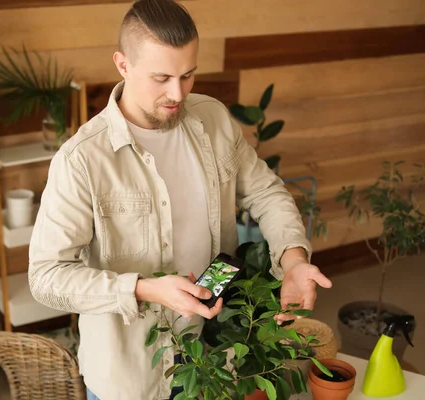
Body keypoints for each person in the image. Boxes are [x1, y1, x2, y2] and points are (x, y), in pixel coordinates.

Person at [28, 1, 333, 399]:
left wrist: (293, 260)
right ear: (122, 64)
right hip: (131, 379)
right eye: (161, 78)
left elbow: (266, 191)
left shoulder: (214, 119)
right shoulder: (81, 159)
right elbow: (46, 277)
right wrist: (143, 289)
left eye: (188, 75)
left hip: (217, 359)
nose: (177, 93)